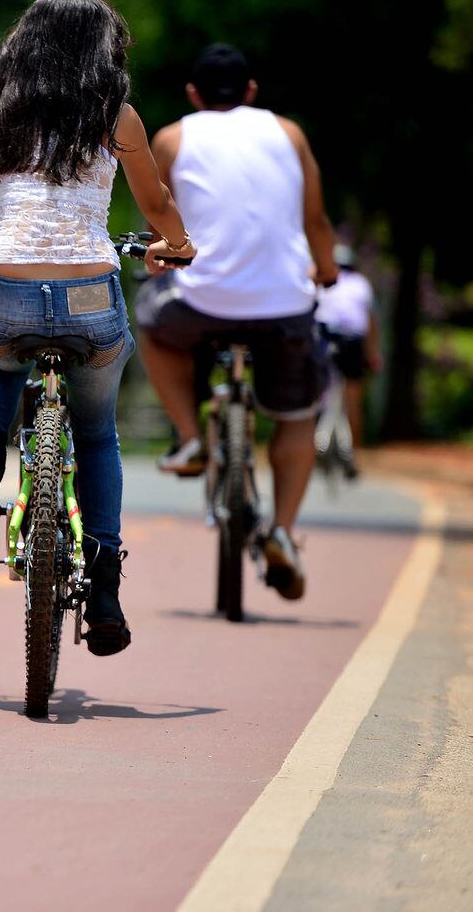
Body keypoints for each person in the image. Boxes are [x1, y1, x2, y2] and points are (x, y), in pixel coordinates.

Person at [0, 0, 196, 657]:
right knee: (98, 437)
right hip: (90, 296)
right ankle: (104, 581)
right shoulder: (116, 115)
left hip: (11, 286)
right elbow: (155, 202)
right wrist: (179, 246)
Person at [136, 44, 338, 600]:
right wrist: (325, 272)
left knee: (151, 324)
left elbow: (157, 219)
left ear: (193, 96)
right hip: (284, 305)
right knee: (297, 413)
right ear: (251, 91)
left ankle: (190, 436)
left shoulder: (173, 137)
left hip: (200, 302)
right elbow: (314, 217)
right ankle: (283, 530)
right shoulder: (290, 134)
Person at [316, 244, 382, 466]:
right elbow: (371, 324)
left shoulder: (322, 281)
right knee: (352, 399)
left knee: (317, 393)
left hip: (325, 337)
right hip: (353, 341)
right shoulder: (362, 284)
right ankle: (353, 455)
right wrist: (372, 355)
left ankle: (313, 447)